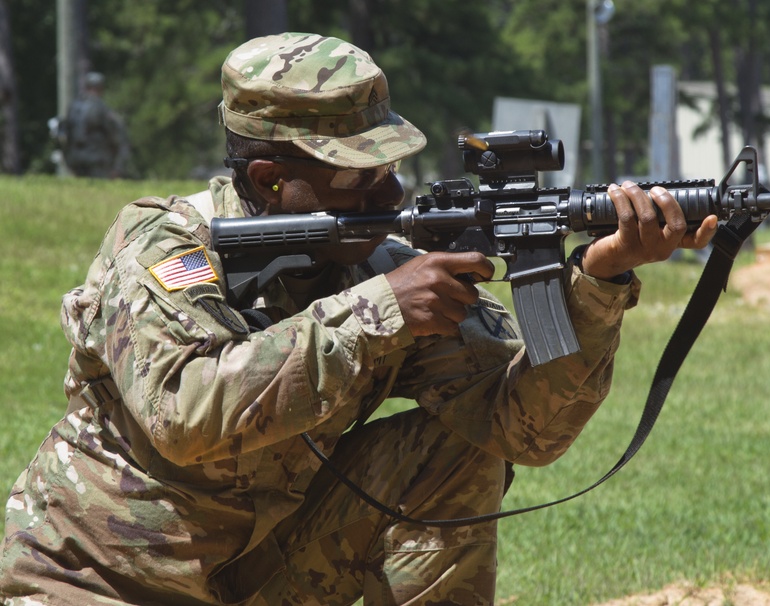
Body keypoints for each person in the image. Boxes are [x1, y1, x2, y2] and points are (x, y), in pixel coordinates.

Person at [0, 33, 717, 605]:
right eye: (359, 172)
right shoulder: (165, 247)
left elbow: (524, 429)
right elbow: (184, 414)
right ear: (268, 180)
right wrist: (380, 313)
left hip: (255, 578)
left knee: (457, 450)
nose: (390, 188)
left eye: (391, 164)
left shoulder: (377, 263)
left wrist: (598, 280)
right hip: (91, 581)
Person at [60, 72, 131, 178]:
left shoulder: (73, 107)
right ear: (100, 88)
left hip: (74, 158)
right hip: (96, 160)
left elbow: (64, 133)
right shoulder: (100, 107)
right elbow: (116, 135)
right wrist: (118, 166)